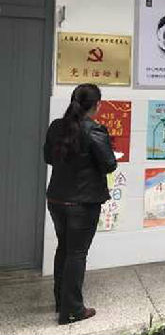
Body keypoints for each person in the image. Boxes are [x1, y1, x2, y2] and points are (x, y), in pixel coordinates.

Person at [43, 84, 117, 325]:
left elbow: (48, 157)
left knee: (64, 249)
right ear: (97, 105)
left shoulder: (56, 126)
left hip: (56, 199)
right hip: (82, 203)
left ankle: (61, 301)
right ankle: (73, 309)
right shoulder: (94, 130)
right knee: (77, 253)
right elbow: (109, 164)